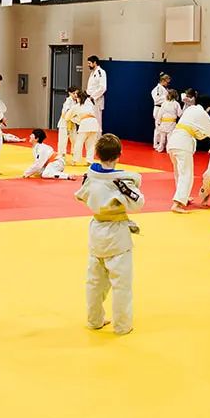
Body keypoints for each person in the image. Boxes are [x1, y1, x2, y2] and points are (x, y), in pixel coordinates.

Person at [77, 133, 144, 335]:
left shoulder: (89, 177)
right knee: (121, 283)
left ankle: (94, 320)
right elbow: (138, 203)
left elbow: (81, 196)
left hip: (96, 230)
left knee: (95, 281)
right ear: (119, 155)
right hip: (117, 235)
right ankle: (122, 325)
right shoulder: (121, 182)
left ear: (96, 154)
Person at [167, 92, 210, 212]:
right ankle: (177, 203)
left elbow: (199, 132)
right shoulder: (202, 113)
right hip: (182, 144)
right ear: (209, 107)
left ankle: (182, 197)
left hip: (173, 142)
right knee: (186, 174)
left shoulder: (191, 110)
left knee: (179, 173)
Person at [70, 88, 101, 167]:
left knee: (79, 142)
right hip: (94, 123)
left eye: (76, 97)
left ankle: (75, 160)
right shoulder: (89, 103)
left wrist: (71, 119)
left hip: (85, 124)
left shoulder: (77, 106)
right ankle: (89, 161)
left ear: (79, 98)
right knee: (91, 144)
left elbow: (69, 116)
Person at [150, 73, 172, 150]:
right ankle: (156, 144)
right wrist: (167, 97)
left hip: (163, 109)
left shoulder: (164, 89)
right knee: (158, 128)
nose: (167, 83)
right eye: (167, 82)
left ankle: (160, 144)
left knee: (162, 128)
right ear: (162, 80)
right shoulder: (157, 89)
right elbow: (157, 99)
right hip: (158, 108)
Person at [155, 89, 181, 155]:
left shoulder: (164, 103)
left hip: (163, 122)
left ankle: (160, 148)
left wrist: (158, 121)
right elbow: (179, 114)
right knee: (170, 137)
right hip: (172, 123)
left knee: (162, 137)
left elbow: (160, 113)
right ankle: (169, 150)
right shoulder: (176, 104)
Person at [86, 55, 107, 129]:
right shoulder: (92, 73)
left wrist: (93, 96)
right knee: (90, 120)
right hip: (90, 99)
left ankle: (97, 140)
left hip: (96, 100)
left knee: (97, 122)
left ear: (94, 63)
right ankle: (91, 139)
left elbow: (103, 87)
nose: (88, 65)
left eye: (89, 63)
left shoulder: (101, 72)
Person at [57, 88, 78, 158]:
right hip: (65, 123)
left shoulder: (77, 101)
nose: (75, 95)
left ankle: (74, 155)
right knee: (63, 141)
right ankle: (61, 156)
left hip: (72, 123)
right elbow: (64, 112)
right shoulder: (68, 101)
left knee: (75, 140)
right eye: (74, 93)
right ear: (70, 93)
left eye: (76, 93)